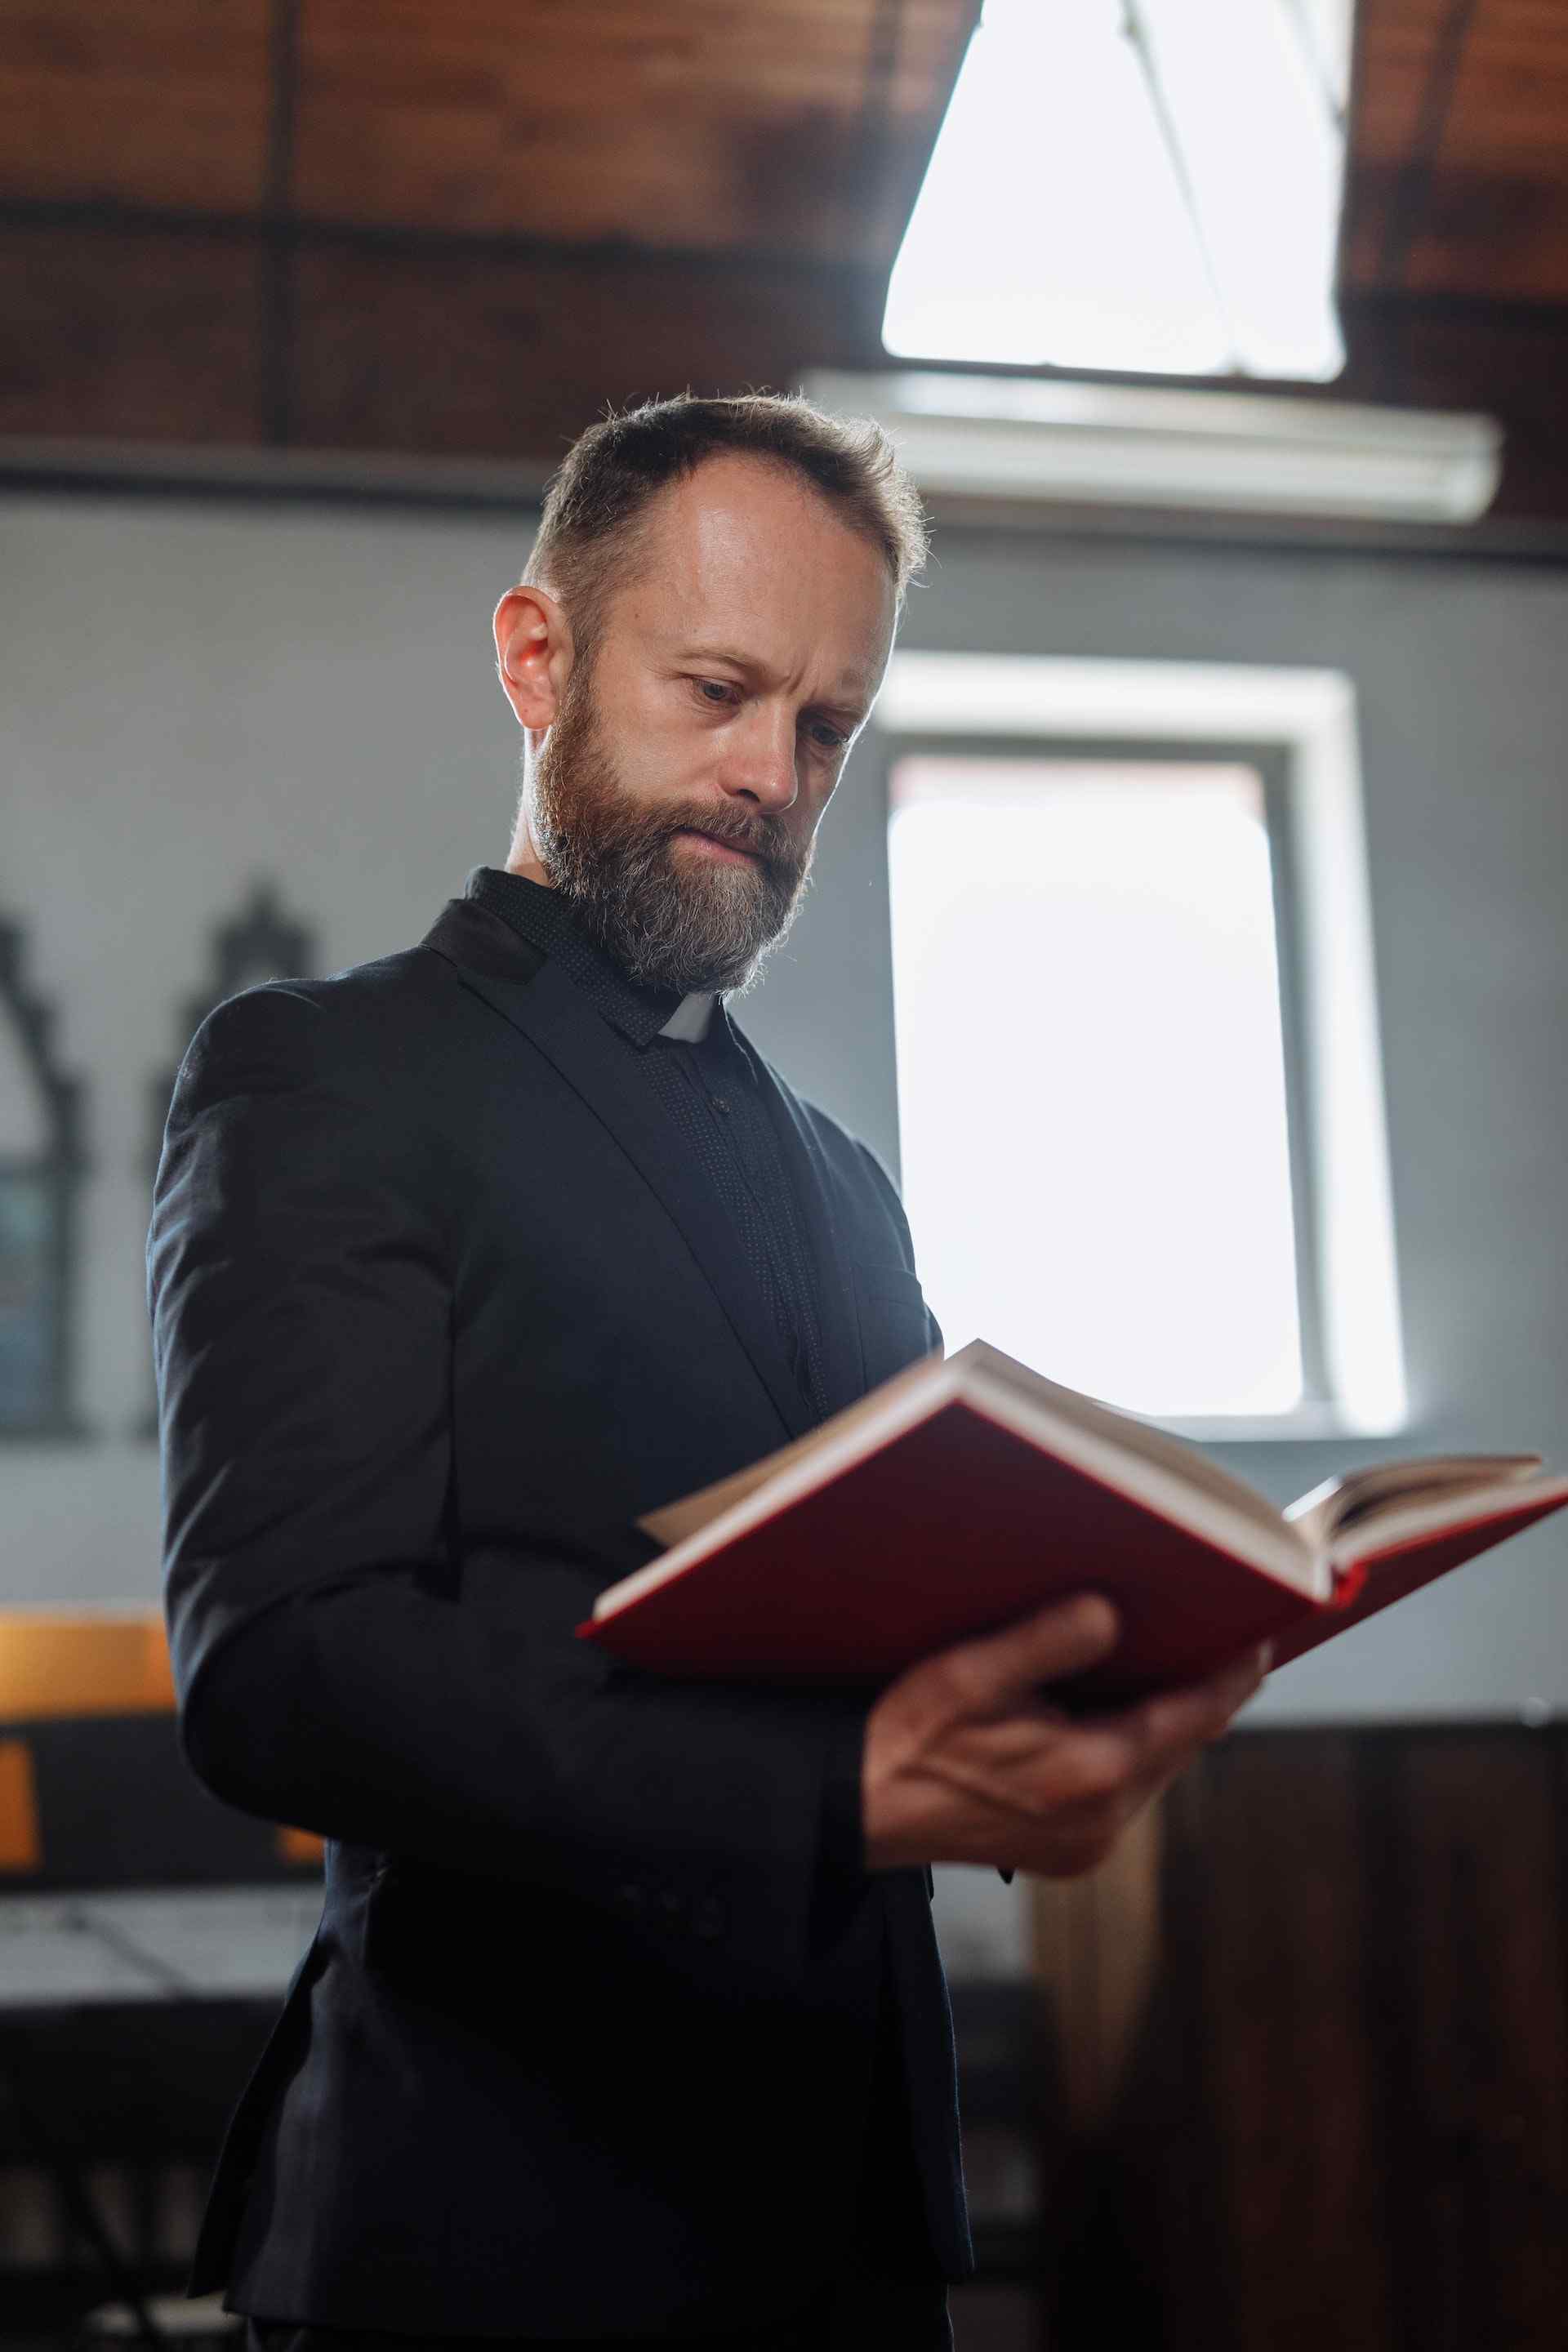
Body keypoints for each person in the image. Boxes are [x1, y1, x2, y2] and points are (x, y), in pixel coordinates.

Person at [149, 393, 1267, 2352]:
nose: (771, 771)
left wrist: (1094, 1675)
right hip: (486, 2236)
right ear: (537, 657)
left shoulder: (844, 1188)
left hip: (850, 2243)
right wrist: (839, 1785)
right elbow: (285, 1670)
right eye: (721, 687)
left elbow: (906, 1631)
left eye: (826, 727)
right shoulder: (322, 1073)